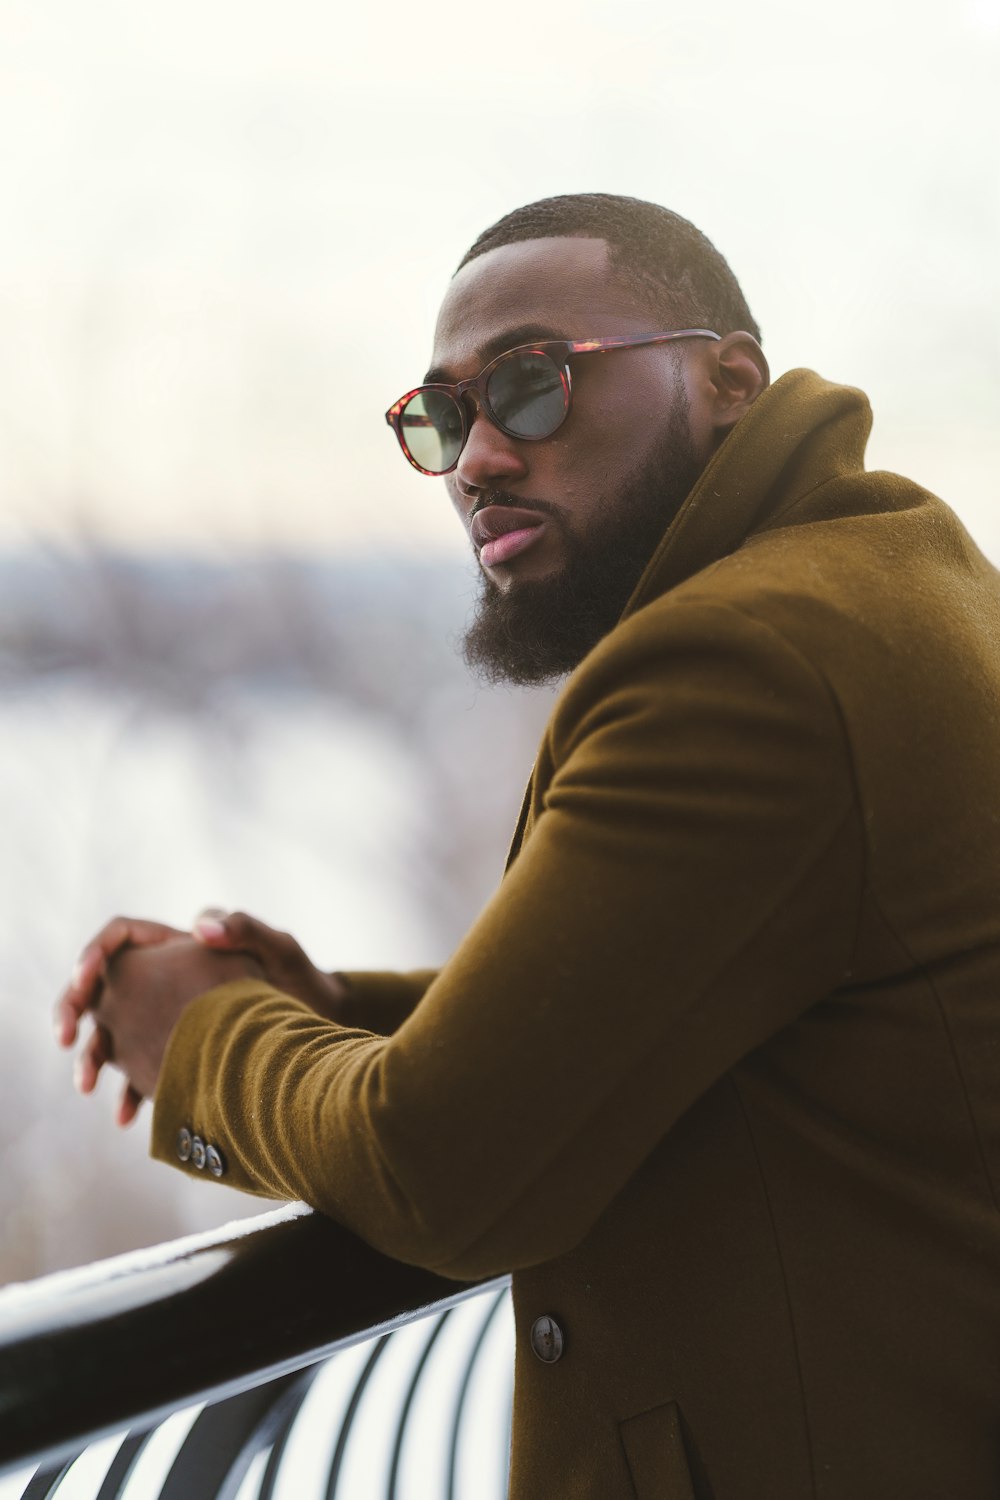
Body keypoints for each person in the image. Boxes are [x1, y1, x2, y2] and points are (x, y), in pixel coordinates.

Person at [56, 193, 1000, 1500]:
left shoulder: (740, 664)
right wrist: (339, 1014)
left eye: (534, 385)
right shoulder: (897, 579)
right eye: (441, 418)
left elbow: (443, 1170)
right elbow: (730, 1009)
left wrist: (195, 1042)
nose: (477, 458)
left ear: (730, 379)